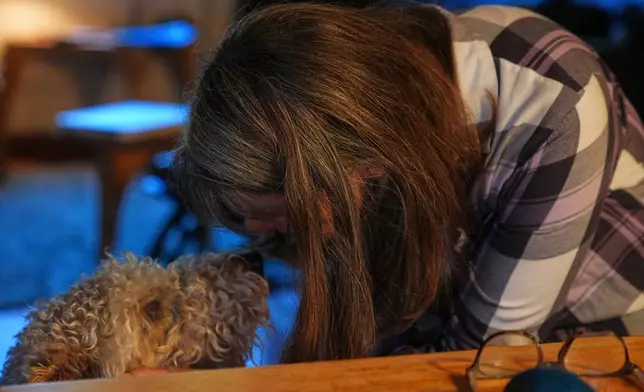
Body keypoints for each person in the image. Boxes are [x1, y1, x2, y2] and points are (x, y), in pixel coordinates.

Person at [170, 1, 644, 363]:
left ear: (356, 167)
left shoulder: (555, 101)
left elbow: (482, 361)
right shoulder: (369, 120)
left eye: (285, 219)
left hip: (599, 341)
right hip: (448, 315)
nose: (275, 237)